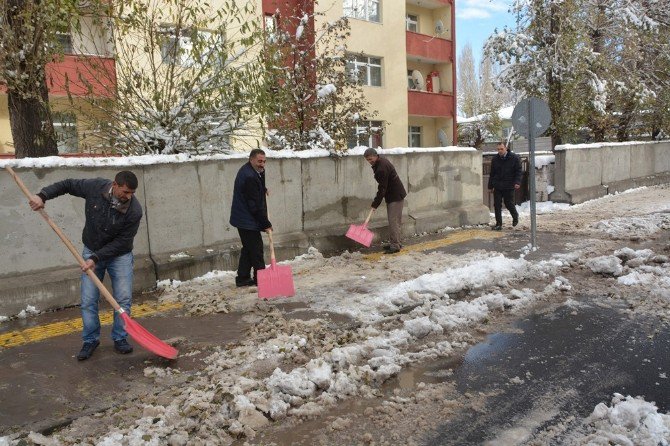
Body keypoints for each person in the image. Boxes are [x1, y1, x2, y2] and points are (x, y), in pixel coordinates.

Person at [29, 171, 143, 360]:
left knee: (123, 300)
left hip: (119, 255)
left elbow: (122, 242)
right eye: (125, 191)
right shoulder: (95, 187)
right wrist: (42, 196)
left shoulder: (134, 210)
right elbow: (68, 184)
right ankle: (91, 340)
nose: (128, 196)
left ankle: (120, 338)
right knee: (89, 299)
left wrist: (96, 258)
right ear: (114, 184)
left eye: (132, 193)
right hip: (92, 248)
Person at [230, 149, 272, 287]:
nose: (262, 164)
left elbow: (255, 187)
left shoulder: (254, 171)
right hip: (246, 219)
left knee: (248, 248)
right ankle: (261, 280)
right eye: (260, 161)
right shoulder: (249, 176)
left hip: (243, 217)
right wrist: (265, 223)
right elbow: (254, 206)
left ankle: (242, 278)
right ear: (251, 159)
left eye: (264, 161)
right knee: (256, 249)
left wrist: (262, 188)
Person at [363, 148, 407, 254]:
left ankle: (395, 245)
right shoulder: (381, 162)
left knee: (393, 221)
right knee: (396, 221)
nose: (370, 161)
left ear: (376, 155)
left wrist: (375, 204)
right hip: (396, 193)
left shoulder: (381, 168)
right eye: (368, 160)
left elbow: (382, 188)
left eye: (371, 159)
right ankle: (396, 242)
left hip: (395, 195)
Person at [488, 142, 522, 230]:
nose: (500, 151)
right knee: (497, 205)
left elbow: (518, 171)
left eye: (501, 149)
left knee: (508, 203)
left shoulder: (514, 158)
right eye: (498, 149)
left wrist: (517, 182)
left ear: (506, 148)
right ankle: (498, 224)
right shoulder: (495, 159)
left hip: (509, 185)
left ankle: (515, 216)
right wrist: (490, 186)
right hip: (498, 185)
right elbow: (492, 173)